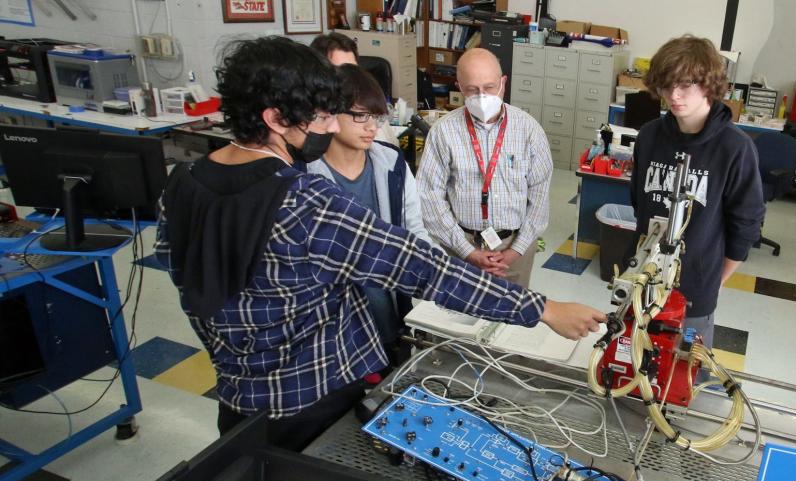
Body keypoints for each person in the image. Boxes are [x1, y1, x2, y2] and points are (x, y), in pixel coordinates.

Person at [155, 36, 604, 450]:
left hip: (237, 401)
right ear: (275, 119)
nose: (330, 127)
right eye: (319, 116)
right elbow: (423, 268)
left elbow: (191, 291)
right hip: (315, 404)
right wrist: (542, 309)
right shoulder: (303, 201)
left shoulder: (182, 187)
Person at [629, 35, 765, 351]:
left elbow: (746, 227)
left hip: (695, 291)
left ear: (708, 83)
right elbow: (639, 201)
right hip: (645, 278)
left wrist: (713, 281)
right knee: (642, 358)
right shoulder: (649, 136)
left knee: (688, 361)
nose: (673, 96)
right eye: (665, 86)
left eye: (686, 85)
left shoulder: (735, 148)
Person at [300, 64, 429, 367]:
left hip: (391, 308)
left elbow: (415, 233)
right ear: (329, 113)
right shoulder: (303, 175)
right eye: (359, 116)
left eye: (376, 116)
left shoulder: (391, 162)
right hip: (334, 329)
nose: (371, 126)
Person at [418, 48, 552, 288]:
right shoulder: (443, 132)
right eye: (472, 89)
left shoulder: (529, 130)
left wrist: (516, 251)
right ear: (459, 87)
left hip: (514, 245)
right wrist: (466, 251)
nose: (482, 96)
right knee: (460, 316)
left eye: (489, 87)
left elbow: (539, 198)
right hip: (461, 245)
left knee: (511, 317)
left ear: (503, 83)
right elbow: (429, 197)